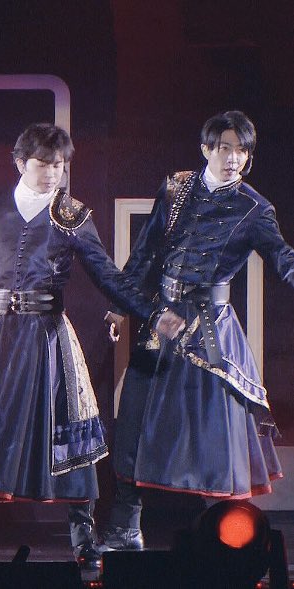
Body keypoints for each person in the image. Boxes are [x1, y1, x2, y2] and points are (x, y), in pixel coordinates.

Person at [0, 123, 183, 570]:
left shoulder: (73, 215)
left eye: (60, 165)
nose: (53, 173)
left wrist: (151, 312)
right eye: (44, 164)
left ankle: (84, 543)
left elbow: (107, 275)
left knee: (68, 430)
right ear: (21, 163)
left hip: (47, 338)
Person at [99, 111, 292, 551]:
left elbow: (282, 258)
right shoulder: (176, 188)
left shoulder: (255, 209)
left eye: (242, 150)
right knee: (134, 422)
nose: (234, 158)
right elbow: (146, 251)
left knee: (214, 433)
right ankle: (125, 529)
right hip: (162, 320)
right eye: (226, 148)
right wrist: (119, 307)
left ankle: (227, 540)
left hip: (210, 330)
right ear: (207, 149)